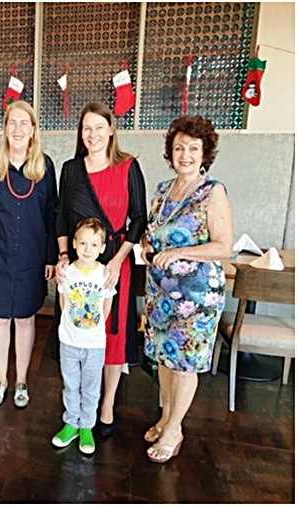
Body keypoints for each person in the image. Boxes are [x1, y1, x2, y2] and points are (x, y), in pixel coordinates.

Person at [141, 115, 233, 463]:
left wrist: (180, 252)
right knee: (164, 359)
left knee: (184, 365)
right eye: (179, 147)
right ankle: (165, 418)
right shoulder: (164, 190)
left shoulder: (213, 192)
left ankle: (175, 429)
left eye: (193, 148)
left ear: (205, 152)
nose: (186, 154)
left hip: (195, 298)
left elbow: (224, 246)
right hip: (161, 294)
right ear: (171, 151)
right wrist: (148, 245)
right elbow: (152, 232)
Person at [55, 101, 147, 436]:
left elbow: (139, 219)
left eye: (98, 127)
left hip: (113, 265)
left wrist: (119, 258)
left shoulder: (128, 167)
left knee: (112, 333)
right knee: (77, 328)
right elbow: (61, 216)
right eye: (86, 128)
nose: (92, 134)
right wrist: (64, 255)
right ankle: (73, 406)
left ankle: (105, 403)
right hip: (78, 265)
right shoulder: (70, 169)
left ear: (111, 130)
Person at [0, 100, 58, 408]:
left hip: (32, 258)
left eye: (24, 123)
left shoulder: (45, 167)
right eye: (12, 123)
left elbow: (52, 215)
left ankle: (21, 381)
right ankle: (0, 379)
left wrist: (50, 256)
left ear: (33, 130)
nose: (18, 129)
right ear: (5, 128)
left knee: (24, 320)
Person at [52, 218, 116, 455]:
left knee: (90, 387)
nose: (88, 249)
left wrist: (93, 327)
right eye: (83, 243)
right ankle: (71, 423)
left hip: (95, 345)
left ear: (102, 248)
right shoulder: (66, 273)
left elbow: (106, 308)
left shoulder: (104, 274)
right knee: (70, 385)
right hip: (68, 342)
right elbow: (63, 302)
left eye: (93, 244)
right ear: (75, 244)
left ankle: (87, 426)